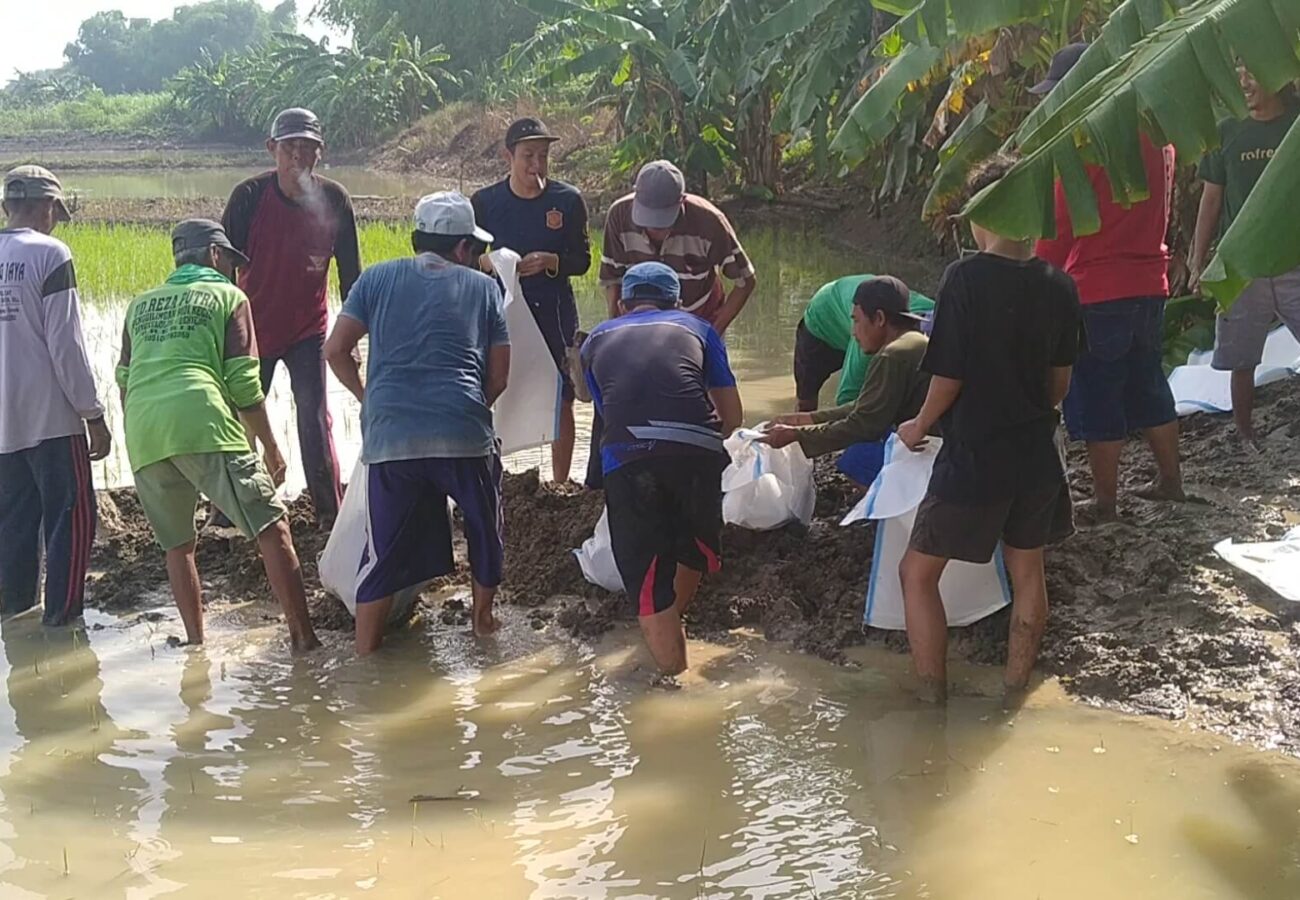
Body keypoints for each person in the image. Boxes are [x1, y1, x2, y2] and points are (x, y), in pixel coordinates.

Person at [896, 156, 1081, 704]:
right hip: (1038, 454)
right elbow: (1059, 386)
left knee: (916, 573)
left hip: (977, 456)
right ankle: (1013, 691)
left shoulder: (965, 278)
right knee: (1028, 570)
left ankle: (931, 701)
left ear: (985, 211)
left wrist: (918, 425)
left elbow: (948, 377)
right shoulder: (1060, 284)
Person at [116, 219, 319, 652]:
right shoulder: (230, 297)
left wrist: (141, 428)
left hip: (143, 430)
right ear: (214, 255)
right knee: (273, 527)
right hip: (202, 421)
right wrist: (271, 448)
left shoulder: (140, 305)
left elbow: (125, 381)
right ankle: (305, 640)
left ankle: (196, 645)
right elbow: (244, 384)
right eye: (230, 260)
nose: (235, 270)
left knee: (178, 546)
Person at [324, 192, 510, 655]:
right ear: (464, 248)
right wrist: (468, 408)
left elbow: (335, 350)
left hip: (391, 437)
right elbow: (500, 376)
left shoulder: (375, 278)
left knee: (382, 555)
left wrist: (369, 400)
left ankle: (365, 655)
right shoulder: (484, 288)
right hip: (463, 434)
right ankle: (483, 624)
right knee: (484, 529)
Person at [1032, 42, 1184, 522]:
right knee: (1149, 385)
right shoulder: (1157, 136)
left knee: (1097, 394)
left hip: (1097, 288)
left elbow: (1058, 229)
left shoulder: (1084, 145)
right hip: (1150, 280)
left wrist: (1032, 278)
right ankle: (1170, 481)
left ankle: (1104, 502)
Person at [581, 262, 743, 677]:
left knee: (647, 582)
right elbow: (732, 417)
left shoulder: (596, 339)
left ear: (621, 304)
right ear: (678, 303)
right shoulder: (701, 330)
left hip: (630, 459)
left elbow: (610, 413)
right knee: (693, 549)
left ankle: (675, 684)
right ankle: (673, 627)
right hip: (697, 454)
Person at [222, 107, 361, 527]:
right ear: (272, 149)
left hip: (308, 331)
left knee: (314, 419)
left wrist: (352, 340)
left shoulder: (334, 200)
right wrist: (223, 338)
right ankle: (229, 512)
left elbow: (352, 277)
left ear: (321, 152)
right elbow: (222, 273)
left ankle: (328, 513)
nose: (298, 156)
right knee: (241, 418)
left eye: (307, 147)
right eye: (289, 147)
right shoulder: (248, 198)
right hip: (254, 330)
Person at [0, 166, 109, 626]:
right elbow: (66, 346)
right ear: (47, 207)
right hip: (52, 421)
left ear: (7, 206)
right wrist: (93, 414)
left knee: (14, 529)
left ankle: (16, 623)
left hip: (4, 428)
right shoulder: (50, 253)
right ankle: (64, 629)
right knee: (71, 522)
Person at [472, 117, 591, 483]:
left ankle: (560, 482)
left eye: (543, 156)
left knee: (562, 394)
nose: (536, 165)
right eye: (528, 156)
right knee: (491, 387)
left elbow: (583, 261)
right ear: (508, 156)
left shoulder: (567, 200)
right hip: (501, 310)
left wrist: (553, 261)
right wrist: (489, 262)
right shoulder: (486, 202)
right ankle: (492, 474)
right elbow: (465, 258)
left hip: (555, 310)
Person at [1189, 68, 1300, 446]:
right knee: (1241, 358)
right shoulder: (1227, 131)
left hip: (1292, 257)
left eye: (1254, 73)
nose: (1245, 83)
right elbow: (1211, 199)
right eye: (1239, 74)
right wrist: (1197, 259)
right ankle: (1244, 432)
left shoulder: (1295, 124)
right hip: (1241, 264)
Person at [761, 277, 930, 483]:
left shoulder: (891, 355)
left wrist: (798, 436)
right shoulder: (916, 341)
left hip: (931, 447)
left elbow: (864, 425)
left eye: (856, 321)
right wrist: (810, 419)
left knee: (856, 459)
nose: (853, 332)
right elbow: (868, 406)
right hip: (936, 439)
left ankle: (887, 500)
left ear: (879, 318)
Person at [599, 160, 756, 334]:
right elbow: (612, 279)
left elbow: (745, 281)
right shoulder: (619, 216)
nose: (654, 228)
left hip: (698, 317)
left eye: (662, 220)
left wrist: (712, 334)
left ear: (682, 201)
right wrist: (613, 331)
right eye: (648, 217)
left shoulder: (709, 222)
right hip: (640, 323)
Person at [794, 275, 934, 412]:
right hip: (824, 316)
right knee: (806, 403)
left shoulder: (938, 322)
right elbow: (848, 398)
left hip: (868, 314)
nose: (853, 332)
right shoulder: (868, 337)